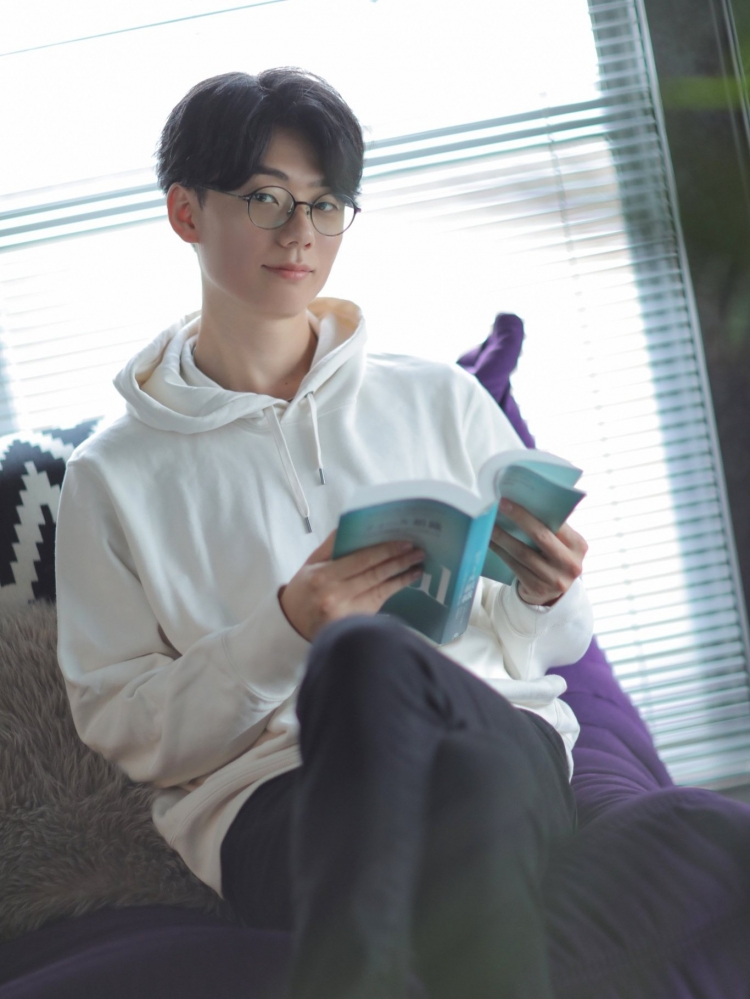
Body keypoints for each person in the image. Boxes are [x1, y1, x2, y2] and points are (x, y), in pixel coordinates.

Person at [55, 68, 593, 999]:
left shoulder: (438, 397)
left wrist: (545, 593)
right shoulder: (111, 476)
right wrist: (288, 630)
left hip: (491, 728)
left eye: (326, 202)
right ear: (186, 212)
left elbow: (555, 643)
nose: (300, 232)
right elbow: (125, 726)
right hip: (279, 799)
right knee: (371, 673)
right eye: (265, 198)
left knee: (422, 713)